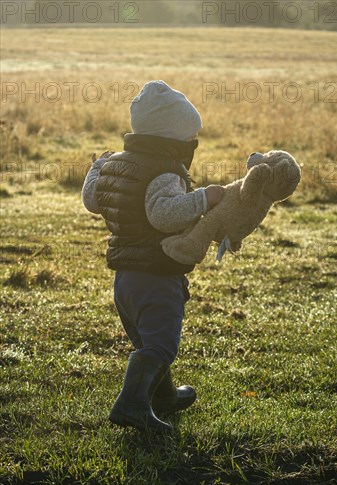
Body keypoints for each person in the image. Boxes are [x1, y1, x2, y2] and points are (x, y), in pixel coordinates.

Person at [82, 80, 224, 432]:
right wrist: (205, 199)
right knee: (161, 345)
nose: (192, 146)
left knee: (148, 341)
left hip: (125, 280)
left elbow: (91, 200)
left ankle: (163, 396)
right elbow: (163, 214)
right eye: (190, 139)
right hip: (156, 275)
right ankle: (131, 406)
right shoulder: (163, 171)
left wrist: (96, 168)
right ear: (174, 141)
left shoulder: (117, 164)